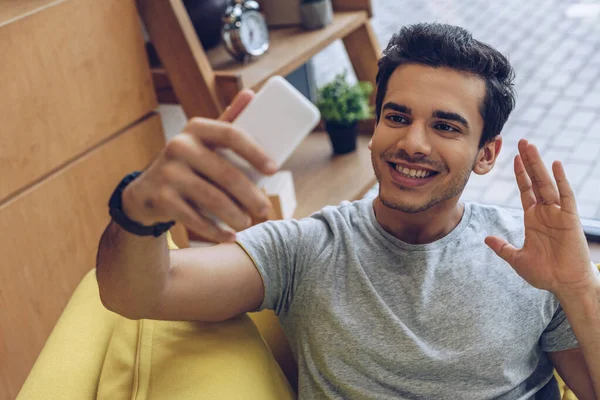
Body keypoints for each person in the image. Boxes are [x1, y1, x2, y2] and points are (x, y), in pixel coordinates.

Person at [96, 23, 600, 399]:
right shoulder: (308, 248)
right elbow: (139, 293)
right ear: (374, 125)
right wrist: (139, 206)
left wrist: (578, 285)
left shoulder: (531, 258)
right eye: (396, 117)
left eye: (446, 127)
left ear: (486, 154)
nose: (413, 143)